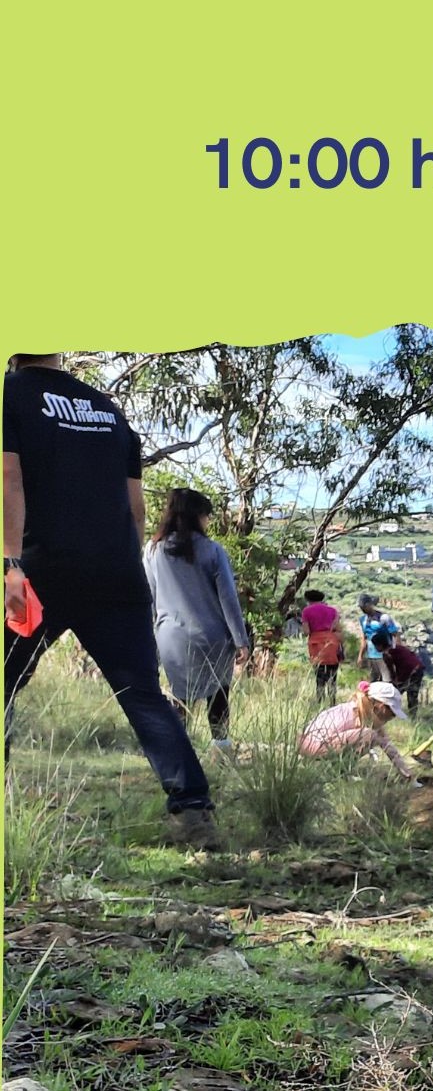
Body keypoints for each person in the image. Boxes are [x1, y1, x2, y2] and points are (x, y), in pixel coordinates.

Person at [3, 352, 217, 845]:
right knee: (141, 692)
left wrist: (11, 564)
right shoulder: (107, 408)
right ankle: (193, 812)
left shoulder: (10, 396)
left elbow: (8, 478)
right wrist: (122, 563)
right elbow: (136, 506)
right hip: (117, 573)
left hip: (40, 570)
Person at [143, 488, 251, 754]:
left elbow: (149, 596)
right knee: (219, 694)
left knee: (180, 695)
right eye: (207, 516)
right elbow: (228, 599)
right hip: (212, 636)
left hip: (170, 638)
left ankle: (175, 752)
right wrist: (241, 640)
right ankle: (222, 751)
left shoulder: (153, 549)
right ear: (198, 516)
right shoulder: (213, 550)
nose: (208, 521)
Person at [300, 679, 416, 780]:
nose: (392, 717)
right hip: (313, 746)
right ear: (381, 707)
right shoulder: (353, 714)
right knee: (369, 736)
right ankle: (336, 772)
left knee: (371, 735)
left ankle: (338, 771)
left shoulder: (364, 714)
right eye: (392, 713)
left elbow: (387, 744)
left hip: (318, 745)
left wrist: (404, 771)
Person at [301, 589, 344, 701]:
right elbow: (337, 628)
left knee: (319, 677)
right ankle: (332, 702)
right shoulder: (332, 610)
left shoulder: (306, 611)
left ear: (308, 599)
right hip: (331, 643)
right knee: (332, 676)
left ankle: (320, 701)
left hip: (316, 644)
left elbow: (306, 631)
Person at [371, 629, 424, 718]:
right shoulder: (395, 649)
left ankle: (393, 712)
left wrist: (398, 681)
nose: (375, 648)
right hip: (417, 669)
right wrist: (394, 681)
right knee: (410, 694)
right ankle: (410, 715)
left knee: (407, 693)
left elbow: (403, 668)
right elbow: (392, 671)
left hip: (413, 671)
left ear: (380, 645)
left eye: (375, 646)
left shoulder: (388, 654)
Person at [357, 594, 402, 682]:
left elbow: (395, 635)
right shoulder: (363, 620)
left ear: (370, 604)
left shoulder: (384, 618)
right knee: (373, 682)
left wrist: (397, 653)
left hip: (384, 655)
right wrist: (360, 656)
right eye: (361, 607)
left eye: (364, 606)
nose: (362, 609)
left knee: (387, 681)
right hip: (371, 655)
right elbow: (364, 638)